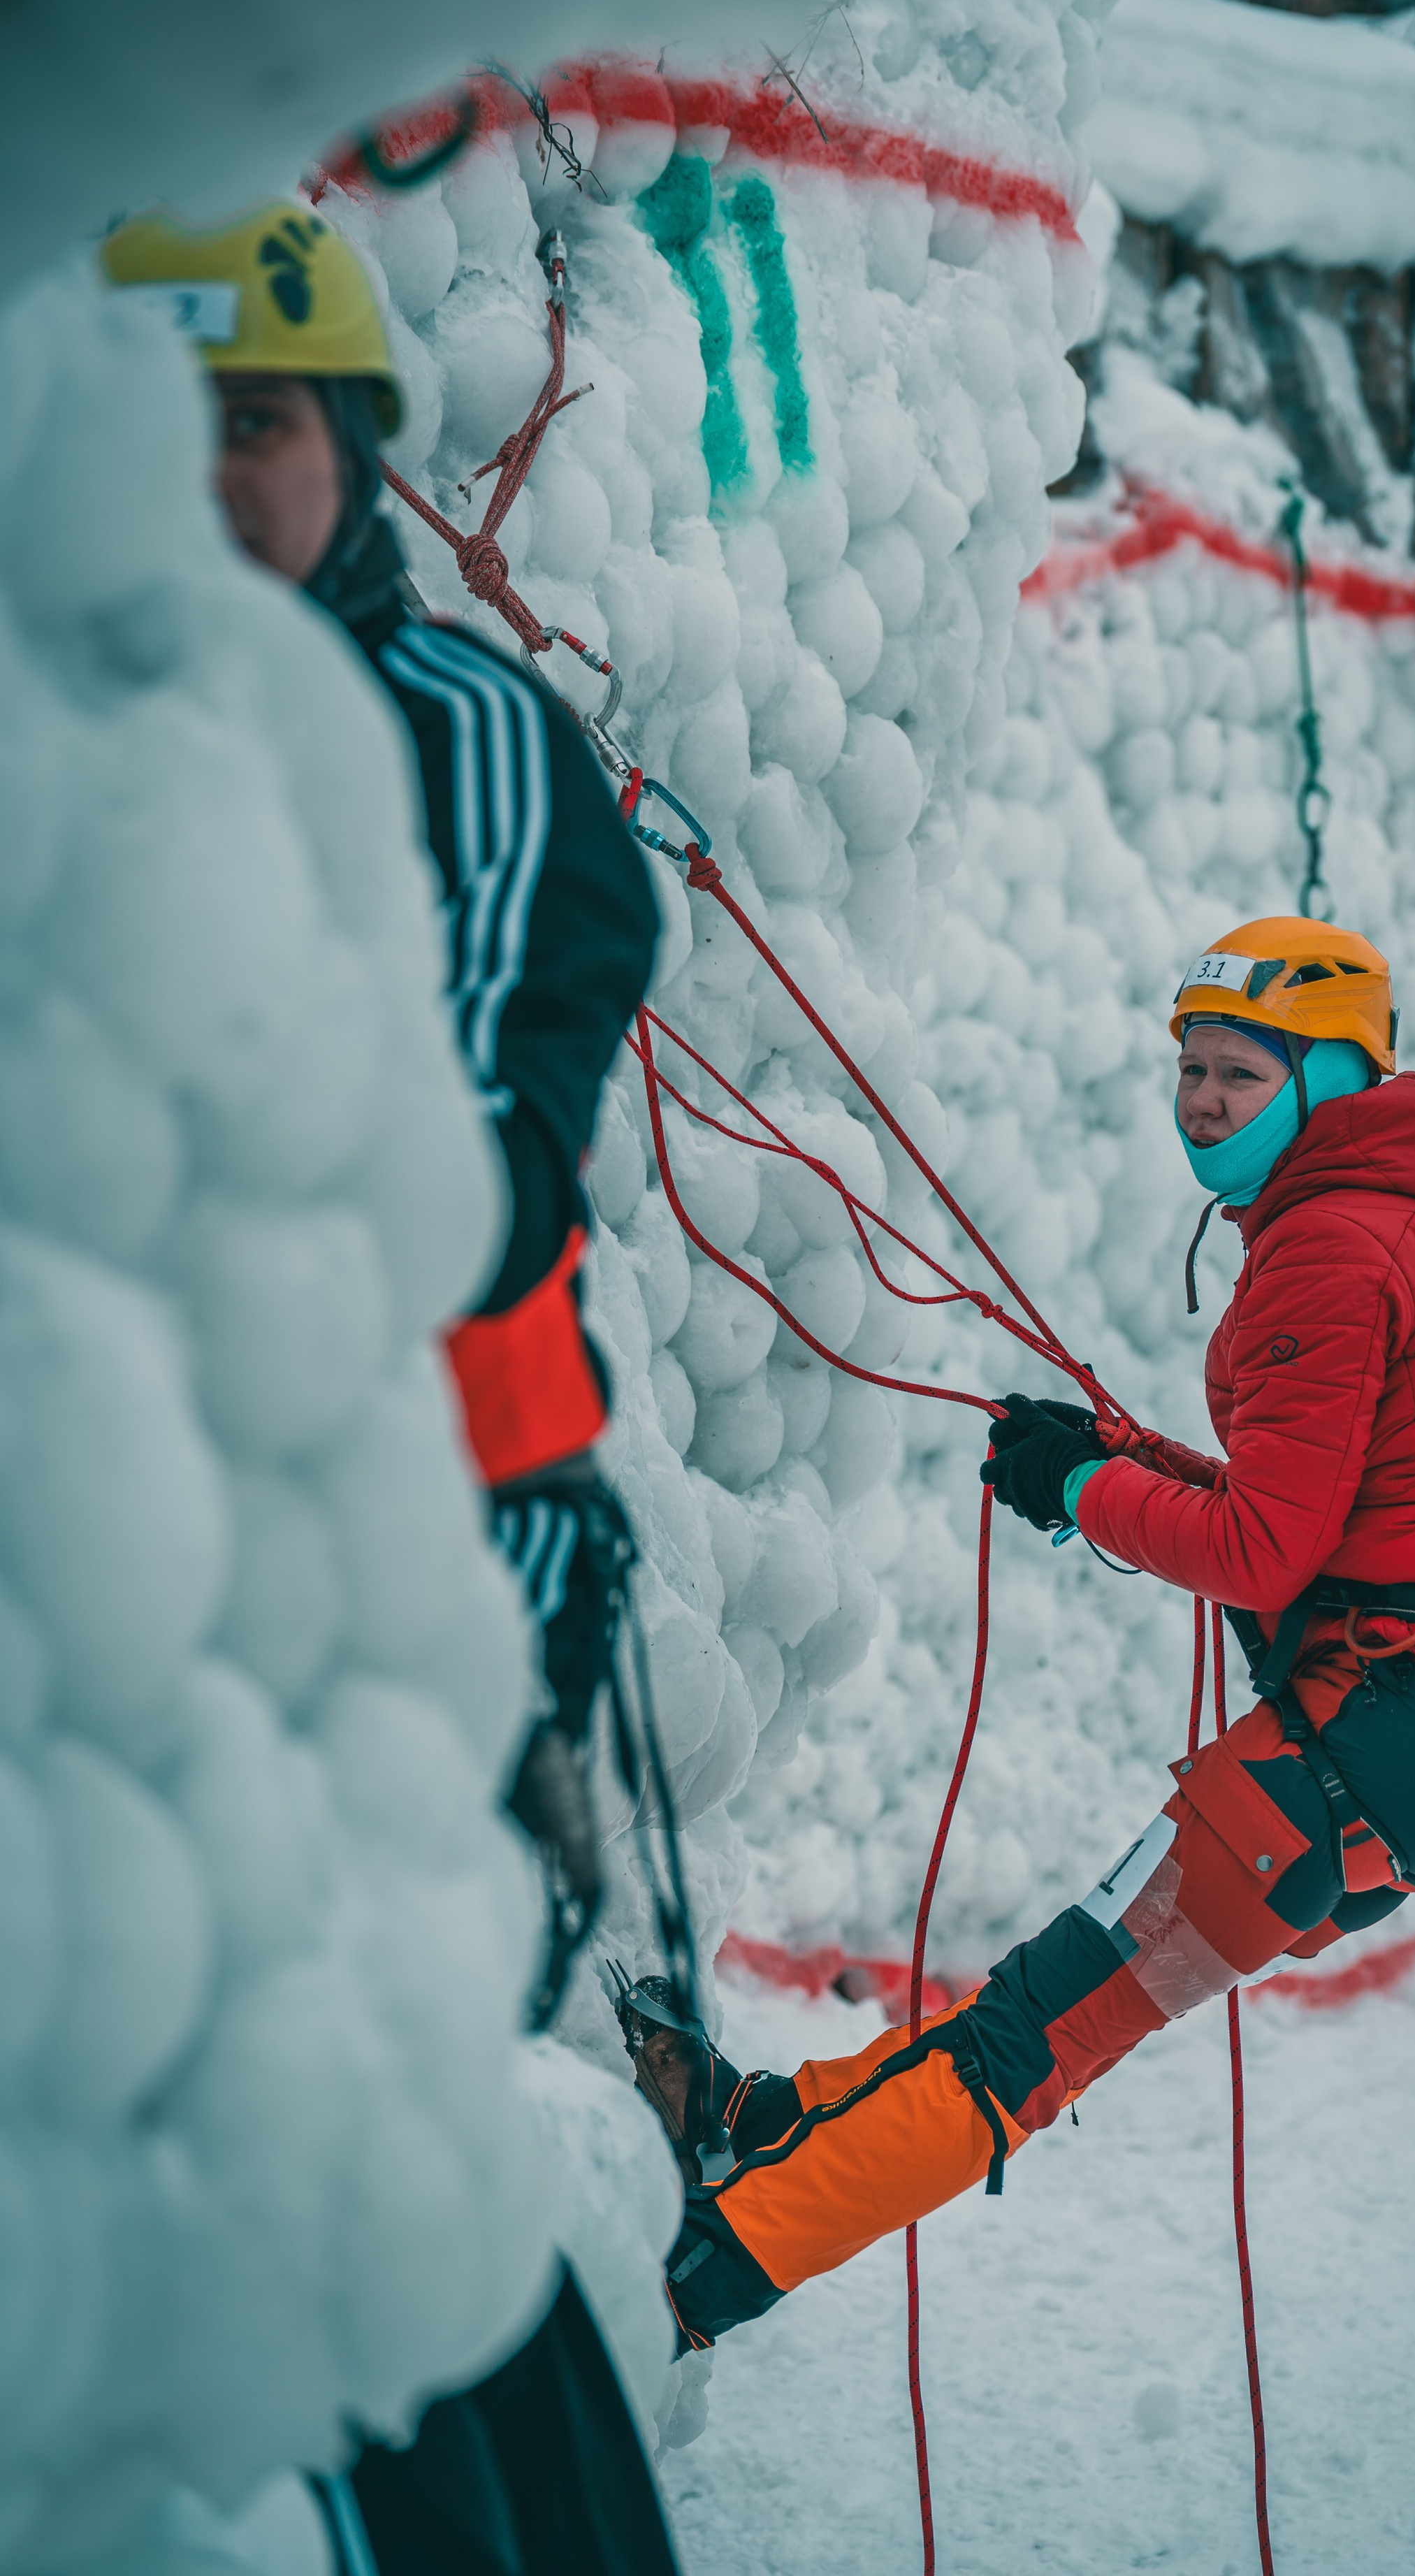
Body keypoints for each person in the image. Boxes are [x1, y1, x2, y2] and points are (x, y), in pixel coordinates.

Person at [620, 917, 1415, 2351]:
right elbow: (1316, 1512)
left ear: (1330, 1079)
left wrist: (1083, 1487)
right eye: (1190, 1070)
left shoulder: (1330, 1248)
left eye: (1241, 1073)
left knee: (1035, 2033)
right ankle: (764, 2125)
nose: (1202, 1101)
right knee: (1048, 2013)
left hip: (1402, 1729)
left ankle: (692, 2285)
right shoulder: (1376, 1226)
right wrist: (1112, 1459)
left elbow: (1263, 1550)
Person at [101, 203, 680, 2576]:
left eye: (250, 422)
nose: (196, 479)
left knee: (332, 2135)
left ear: (352, 443)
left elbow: (453, 1189)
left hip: (430, 1576)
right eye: (145, 426)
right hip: (121, 1597)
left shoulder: (457, 745)